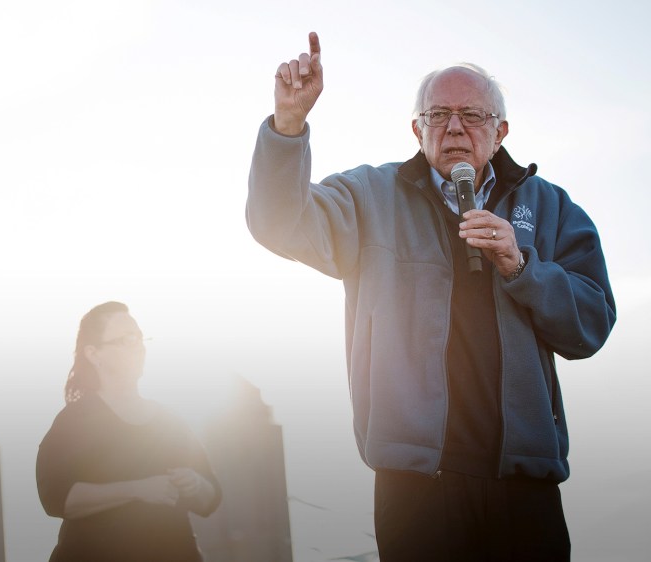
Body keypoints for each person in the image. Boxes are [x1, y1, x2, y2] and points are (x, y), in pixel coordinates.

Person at [246, 32, 616, 561]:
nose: (455, 128)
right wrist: (287, 128)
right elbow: (278, 223)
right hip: (416, 487)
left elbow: (592, 325)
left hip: (524, 485)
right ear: (417, 130)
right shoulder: (371, 196)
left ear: (501, 130)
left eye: (472, 115)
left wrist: (522, 266)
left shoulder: (551, 208)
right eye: (438, 114)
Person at [36, 301, 221, 562]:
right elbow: (56, 498)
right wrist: (137, 489)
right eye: (127, 339)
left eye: (140, 338)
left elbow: (210, 498)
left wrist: (195, 483)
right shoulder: (74, 421)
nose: (139, 347)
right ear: (94, 354)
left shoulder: (170, 421)